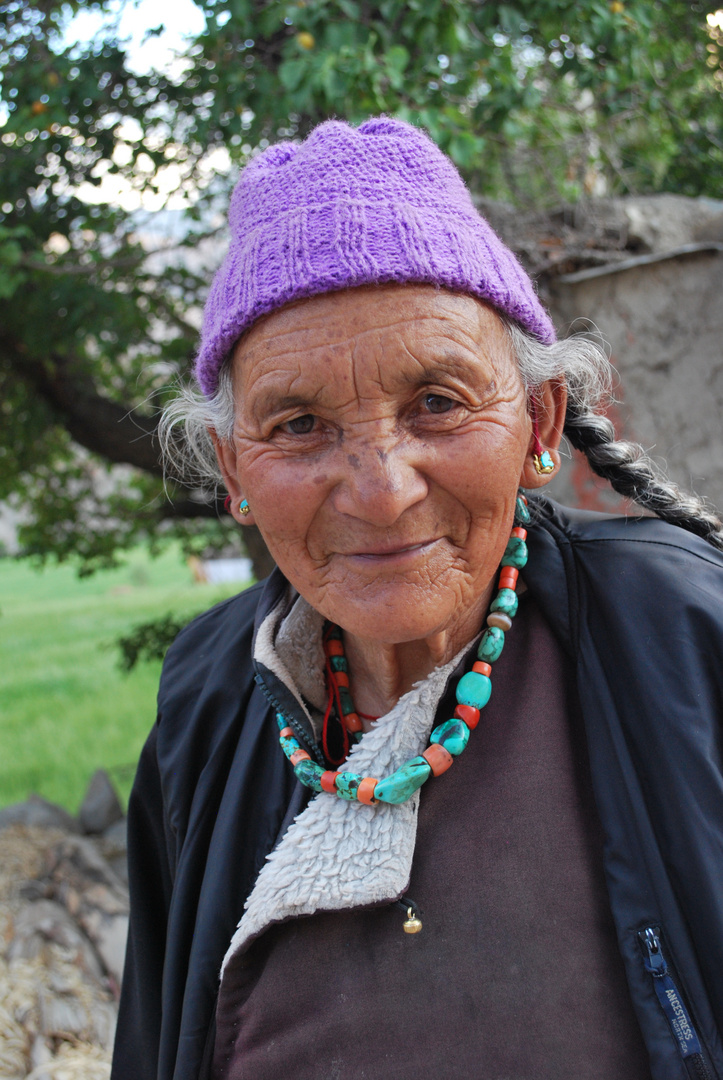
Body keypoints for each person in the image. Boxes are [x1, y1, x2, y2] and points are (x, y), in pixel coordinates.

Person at [111, 118, 723, 1080]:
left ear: (538, 423)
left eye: (437, 402)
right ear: (232, 469)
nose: (381, 489)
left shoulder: (686, 634)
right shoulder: (211, 692)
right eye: (299, 424)